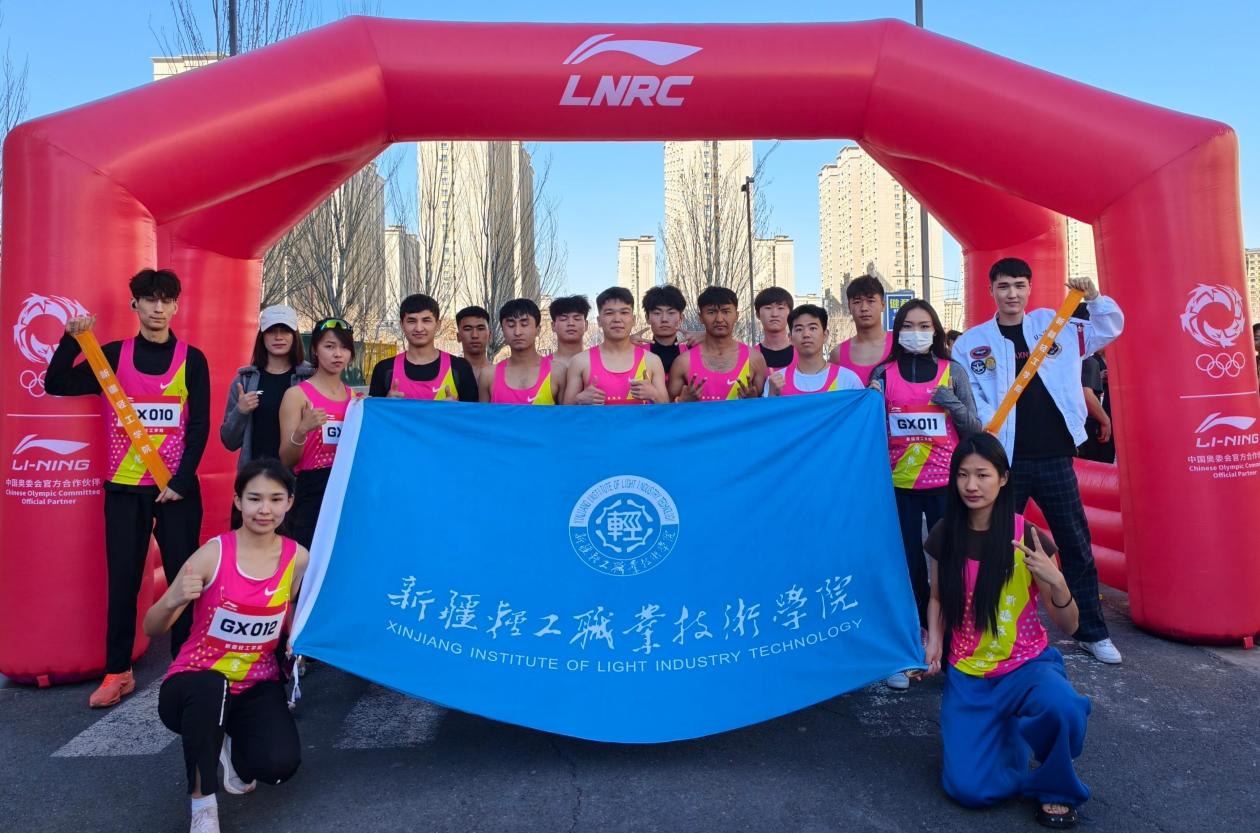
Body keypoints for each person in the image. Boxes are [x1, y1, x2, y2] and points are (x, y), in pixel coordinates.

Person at [46, 268, 211, 709]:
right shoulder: (113, 356)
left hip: (175, 491)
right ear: (134, 304)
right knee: (122, 581)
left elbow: (199, 425)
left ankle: (184, 665)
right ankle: (118, 671)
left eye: (166, 300)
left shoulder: (192, 360)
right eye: (149, 299)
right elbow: (55, 383)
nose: (158, 308)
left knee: (183, 580)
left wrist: (181, 480)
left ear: (176, 306)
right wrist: (71, 339)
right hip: (124, 489)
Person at [953, 258, 1124, 664]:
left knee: (1075, 543)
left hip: (1055, 457)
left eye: (1019, 285)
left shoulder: (1055, 323)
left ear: (1029, 288)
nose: (1011, 293)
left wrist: (1095, 299)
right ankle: (988, 628)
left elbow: (1107, 329)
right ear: (991, 290)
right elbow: (969, 396)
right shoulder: (971, 343)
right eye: (1003, 286)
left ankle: (1091, 631)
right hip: (1002, 463)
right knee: (993, 545)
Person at [924, 433, 1091, 829]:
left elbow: (1071, 625)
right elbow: (937, 598)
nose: (971, 485)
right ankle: (1009, 732)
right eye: (963, 474)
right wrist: (934, 640)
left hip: (1026, 667)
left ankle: (1055, 786)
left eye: (982, 475)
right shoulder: (945, 533)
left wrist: (1058, 582)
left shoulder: (1028, 537)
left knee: (1063, 707)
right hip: (970, 674)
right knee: (970, 791)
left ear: (1003, 478)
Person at [147, 458, 308, 833]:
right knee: (211, 686)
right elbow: (151, 625)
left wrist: (297, 642)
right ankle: (203, 805)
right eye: (254, 498)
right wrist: (174, 600)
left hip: (256, 685)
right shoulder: (213, 554)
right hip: (194, 685)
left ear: (289, 503)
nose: (264, 509)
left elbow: (294, 617)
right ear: (238, 501)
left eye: (275, 499)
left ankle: (229, 742)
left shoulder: (298, 558)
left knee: (278, 767)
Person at [869, 300, 982, 689]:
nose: (916, 332)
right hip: (898, 486)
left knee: (951, 565)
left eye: (923, 325)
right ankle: (911, 644)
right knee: (908, 567)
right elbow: (868, 430)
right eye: (908, 325)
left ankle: (955, 648)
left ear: (935, 330)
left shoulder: (953, 371)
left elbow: (974, 428)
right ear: (897, 331)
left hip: (945, 485)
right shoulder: (883, 374)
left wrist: (950, 403)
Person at [220, 304, 311, 528]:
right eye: (271, 331)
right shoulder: (244, 380)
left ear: (295, 335)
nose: (278, 337)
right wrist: (241, 411)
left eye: (285, 330)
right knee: (248, 547)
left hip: (298, 485)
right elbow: (229, 441)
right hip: (254, 484)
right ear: (262, 336)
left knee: (295, 547)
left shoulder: (310, 379)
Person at [279, 318, 355, 549]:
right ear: (315, 349)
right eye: (329, 346)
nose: (338, 354)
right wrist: (303, 429)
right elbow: (287, 459)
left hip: (347, 491)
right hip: (311, 493)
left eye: (344, 348)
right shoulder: (296, 395)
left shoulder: (356, 400)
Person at [564, 287, 669, 405]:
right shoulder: (580, 361)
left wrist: (654, 395)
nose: (617, 319)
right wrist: (579, 399)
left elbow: (668, 408)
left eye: (624, 312)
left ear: (633, 319)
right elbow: (564, 410)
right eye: (609, 313)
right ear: (599, 321)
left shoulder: (652, 361)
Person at [368, 294, 477, 401]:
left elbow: (475, 412)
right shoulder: (384, 370)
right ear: (402, 325)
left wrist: (457, 408)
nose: (419, 328)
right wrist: (384, 404)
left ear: (438, 325)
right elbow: (371, 412)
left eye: (426, 320)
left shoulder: (460, 368)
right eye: (411, 321)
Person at [668, 286, 767, 402]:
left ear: (736, 315)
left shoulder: (755, 359)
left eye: (726, 312)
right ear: (700, 318)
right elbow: (665, 408)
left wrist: (753, 401)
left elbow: (767, 407)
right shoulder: (683, 362)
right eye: (711, 312)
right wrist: (682, 401)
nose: (719, 319)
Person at [766, 304, 862, 396]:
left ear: (825, 335)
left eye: (812, 328)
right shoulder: (775, 382)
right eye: (799, 329)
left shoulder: (848, 380)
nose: (806, 334)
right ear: (790, 338)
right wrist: (772, 395)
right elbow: (767, 408)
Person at [480, 299, 563, 405]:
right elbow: (482, 415)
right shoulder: (488, 375)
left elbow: (569, 414)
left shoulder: (558, 372)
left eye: (524, 324)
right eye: (511, 325)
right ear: (503, 331)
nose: (517, 332)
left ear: (538, 329)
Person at [829, 274, 893, 384]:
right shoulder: (837, 354)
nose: (864, 308)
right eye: (857, 302)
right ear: (849, 307)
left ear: (883, 305)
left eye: (871, 301)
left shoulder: (899, 346)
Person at [637, 284, 696, 375]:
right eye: (657, 313)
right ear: (647, 318)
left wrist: (705, 335)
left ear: (681, 318)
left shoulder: (692, 351)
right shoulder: (637, 352)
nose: (664, 319)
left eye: (671, 313)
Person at [548, 295, 590, 385]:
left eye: (577, 318)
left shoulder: (597, 362)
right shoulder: (542, 367)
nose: (571, 323)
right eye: (563, 319)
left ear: (586, 325)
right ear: (553, 325)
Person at [753, 286, 795, 371]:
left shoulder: (804, 354)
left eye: (780, 308)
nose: (774, 314)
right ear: (758, 314)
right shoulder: (750, 356)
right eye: (768, 308)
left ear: (790, 314)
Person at [456, 305, 493, 376]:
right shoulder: (447, 374)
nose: (474, 335)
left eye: (480, 329)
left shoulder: (502, 375)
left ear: (489, 336)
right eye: (468, 329)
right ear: (458, 336)